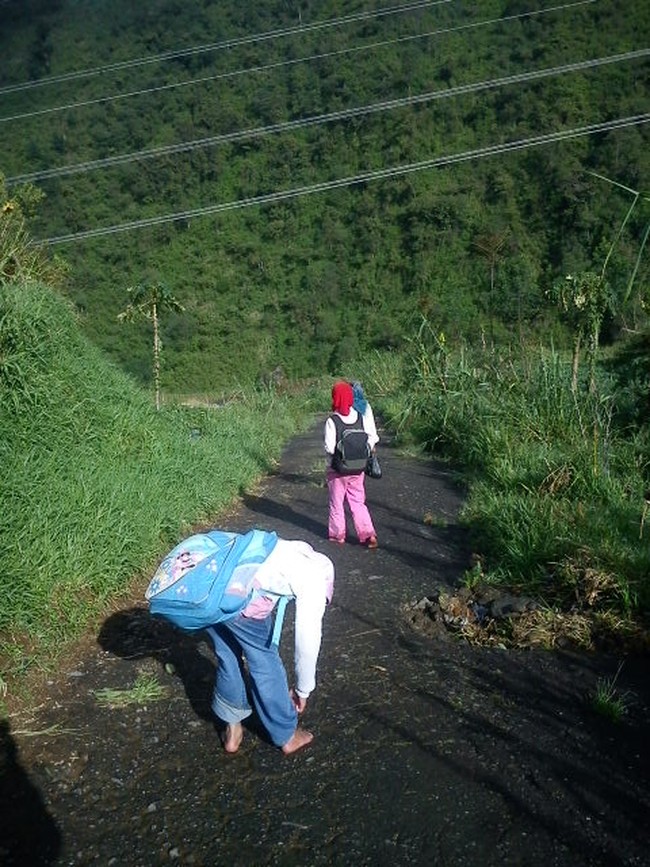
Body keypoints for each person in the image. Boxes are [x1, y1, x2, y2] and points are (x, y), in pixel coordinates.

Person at [207, 537, 334, 755]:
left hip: (210, 588)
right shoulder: (313, 579)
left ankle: (232, 730)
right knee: (264, 660)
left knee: (227, 656)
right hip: (241, 603)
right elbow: (307, 642)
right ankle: (286, 735)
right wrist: (303, 689)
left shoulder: (286, 548)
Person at [324, 381, 379, 548]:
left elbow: (329, 447)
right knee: (357, 502)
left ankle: (337, 535)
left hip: (337, 469)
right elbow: (370, 440)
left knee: (337, 502)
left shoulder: (332, 420)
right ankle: (368, 534)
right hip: (358, 467)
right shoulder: (360, 417)